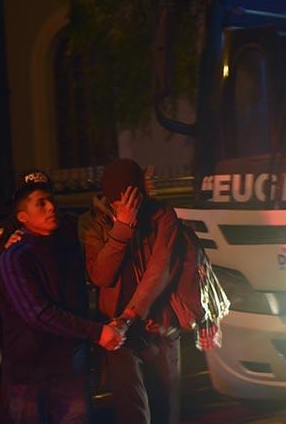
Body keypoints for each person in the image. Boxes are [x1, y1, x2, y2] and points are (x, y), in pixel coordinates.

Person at [0, 179, 123, 424]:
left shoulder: (66, 246)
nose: (51, 207)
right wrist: (96, 332)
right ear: (22, 217)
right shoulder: (16, 257)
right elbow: (38, 313)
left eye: (51, 200)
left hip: (69, 365)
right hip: (31, 371)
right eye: (40, 203)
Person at [84, 158, 181, 424]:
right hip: (118, 332)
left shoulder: (163, 216)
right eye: (119, 204)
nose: (127, 209)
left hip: (158, 325)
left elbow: (160, 269)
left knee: (165, 409)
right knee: (132, 412)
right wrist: (122, 229)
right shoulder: (94, 223)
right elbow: (101, 276)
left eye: (133, 201)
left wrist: (130, 315)